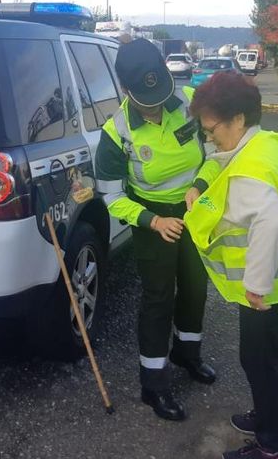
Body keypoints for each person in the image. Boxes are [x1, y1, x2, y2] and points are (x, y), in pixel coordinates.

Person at [183, 71, 278, 459]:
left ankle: (269, 445)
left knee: (256, 359)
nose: (209, 137)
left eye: (212, 128)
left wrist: (256, 284)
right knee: (266, 355)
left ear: (238, 119)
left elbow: (271, 221)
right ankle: (268, 416)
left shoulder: (249, 171)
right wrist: (200, 191)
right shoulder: (267, 146)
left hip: (267, 288)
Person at [95, 39, 220, 421]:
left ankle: (188, 354)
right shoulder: (116, 132)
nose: (156, 104)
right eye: (146, 98)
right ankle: (154, 385)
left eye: (159, 92)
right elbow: (111, 197)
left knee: (197, 287)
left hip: (195, 210)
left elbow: (218, 150)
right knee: (158, 299)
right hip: (151, 220)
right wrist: (152, 221)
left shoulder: (189, 100)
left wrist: (199, 184)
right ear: (126, 89)